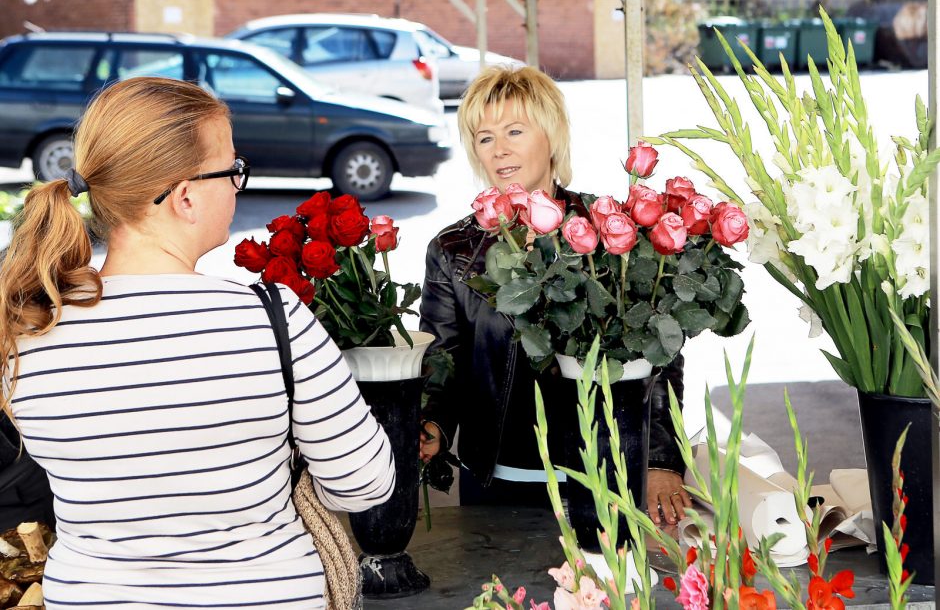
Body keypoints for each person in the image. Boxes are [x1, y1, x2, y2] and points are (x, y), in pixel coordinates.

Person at [0, 77, 394, 609]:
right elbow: (364, 484)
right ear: (185, 197)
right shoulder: (271, 319)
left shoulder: (28, 332)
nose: (237, 184)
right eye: (232, 170)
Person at [418, 66, 690, 525]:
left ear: (551, 135)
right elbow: (441, 361)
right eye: (484, 138)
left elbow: (659, 356)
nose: (499, 149)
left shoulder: (609, 230)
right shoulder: (452, 249)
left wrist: (661, 460)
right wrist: (432, 425)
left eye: (514, 131)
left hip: (602, 471)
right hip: (493, 481)